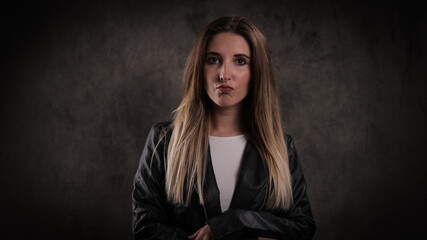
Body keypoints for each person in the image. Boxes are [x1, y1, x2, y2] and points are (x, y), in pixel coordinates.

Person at [132, 16, 316, 240]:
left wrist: (237, 221)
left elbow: (302, 228)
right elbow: (144, 228)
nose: (223, 74)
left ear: (256, 71)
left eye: (240, 61)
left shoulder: (280, 147)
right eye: (213, 59)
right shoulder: (164, 141)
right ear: (199, 68)